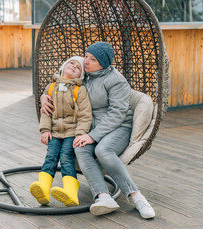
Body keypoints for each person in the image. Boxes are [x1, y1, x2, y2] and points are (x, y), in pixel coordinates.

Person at [40, 42, 155, 219]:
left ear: (104, 63)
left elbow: (118, 113)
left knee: (103, 150)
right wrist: (43, 97)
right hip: (90, 127)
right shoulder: (85, 75)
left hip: (119, 127)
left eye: (92, 59)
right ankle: (103, 196)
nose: (86, 61)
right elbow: (61, 84)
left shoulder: (116, 80)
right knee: (79, 148)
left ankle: (136, 196)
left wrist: (92, 136)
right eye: (86, 56)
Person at [30, 56, 92, 207]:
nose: (73, 66)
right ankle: (43, 189)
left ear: (80, 75)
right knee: (50, 157)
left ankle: (71, 192)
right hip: (55, 132)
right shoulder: (51, 88)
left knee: (66, 158)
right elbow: (46, 112)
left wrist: (80, 133)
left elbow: (85, 115)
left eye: (78, 67)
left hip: (72, 133)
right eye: (71, 63)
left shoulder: (80, 90)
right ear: (63, 66)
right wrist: (45, 130)